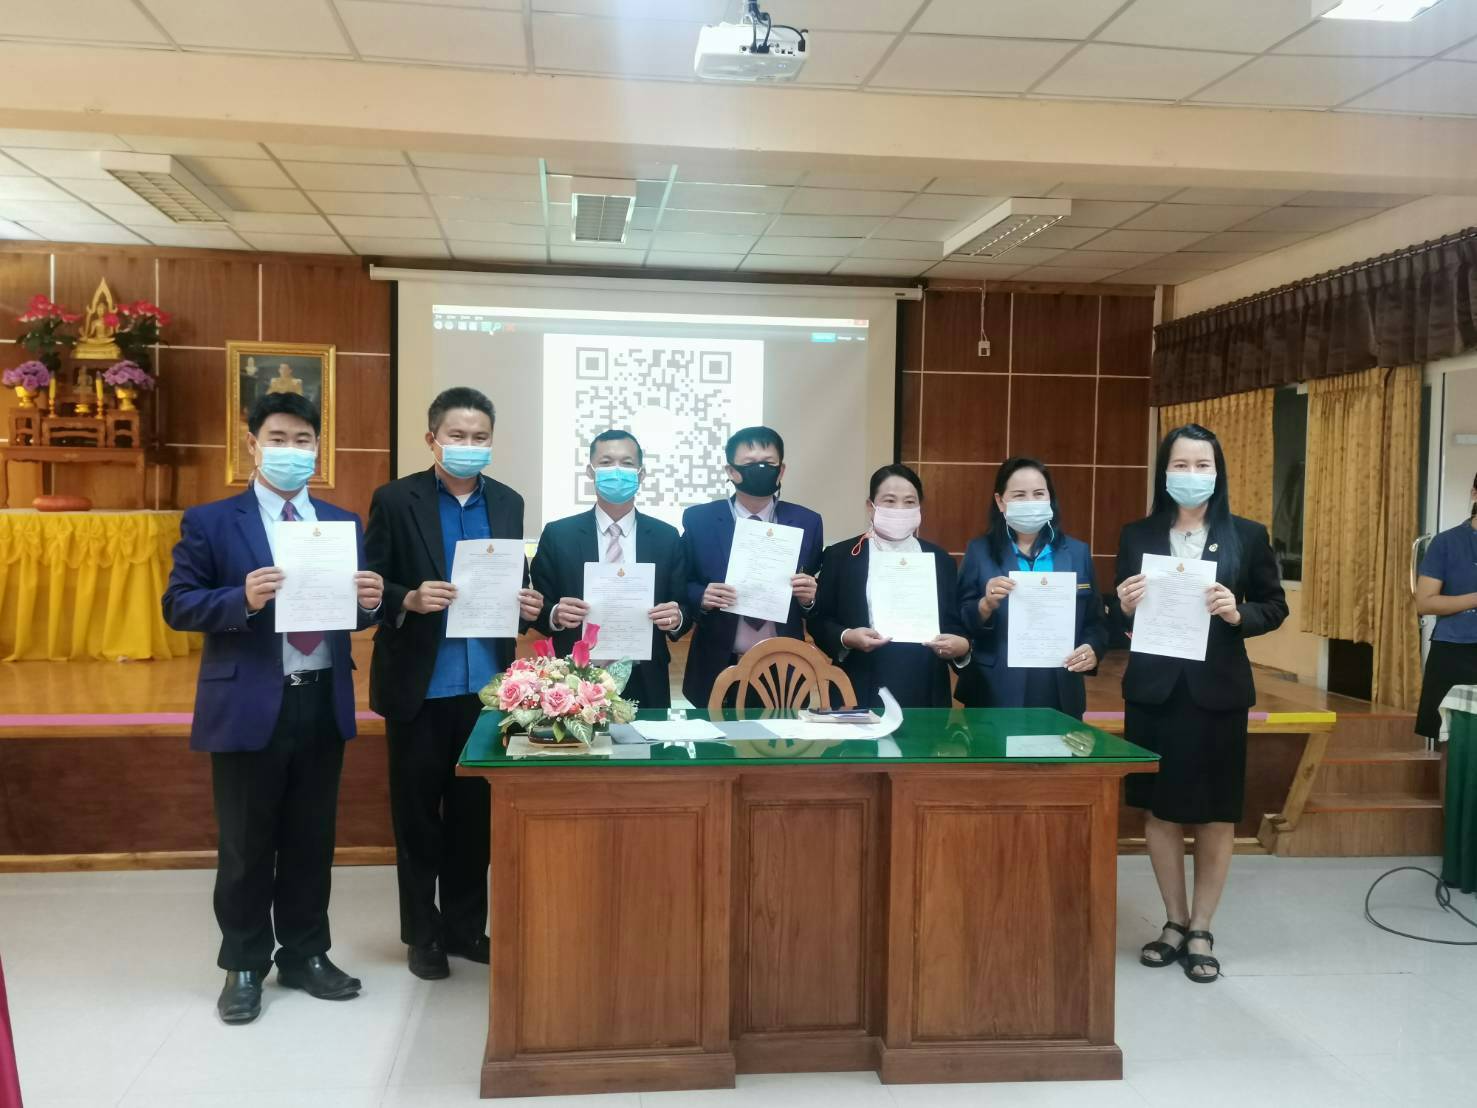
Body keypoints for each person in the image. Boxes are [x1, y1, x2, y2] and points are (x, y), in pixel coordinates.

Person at [162, 393, 384, 1025]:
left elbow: (350, 613)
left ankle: (306, 953)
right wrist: (242, 598)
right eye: (278, 439)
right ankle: (243, 963)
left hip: (321, 698)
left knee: (312, 840)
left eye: (303, 440)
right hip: (247, 703)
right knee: (246, 844)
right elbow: (178, 604)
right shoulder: (211, 521)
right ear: (252, 445)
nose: (292, 451)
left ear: (319, 448)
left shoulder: (340, 524)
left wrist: (370, 602)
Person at [364, 386, 542, 981]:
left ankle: (466, 928)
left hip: (487, 689)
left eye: (480, 437)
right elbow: (371, 583)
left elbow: (514, 582)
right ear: (432, 438)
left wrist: (528, 603)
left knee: (474, 819)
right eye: (458, 435)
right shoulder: (396, 499)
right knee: (418, 819)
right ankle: (423, 934)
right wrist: (408, 598)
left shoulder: (509, 501)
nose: (469, 444)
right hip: (421, 684)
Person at [1114, 424, 1287, 984]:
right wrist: (1123, 605)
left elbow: (1274, 606)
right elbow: (1118, 617)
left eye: (1202, 465)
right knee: (1159, 810)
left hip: (1217, 693)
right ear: (1164, 471)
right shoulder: (1138, 534)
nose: (1191, 474)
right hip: (1155, 692)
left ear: (1218, 471)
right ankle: (1173, 920)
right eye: (1181, 465)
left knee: (1216, 813)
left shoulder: (1247, 535)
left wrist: (1238, 613)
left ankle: (1202, 927)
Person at [532, 430, 690, 706]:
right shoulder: (559, 535)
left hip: (645, 674)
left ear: (641, 474)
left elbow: (684, 603)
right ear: (590, 472)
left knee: (647, 735)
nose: (616, 470)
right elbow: (539, 604)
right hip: (575, 676)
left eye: (627, 463)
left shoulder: (666, 536)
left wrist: (676, 618)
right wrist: (555, 613)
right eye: (606, 462)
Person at [680, 426, 823, 708]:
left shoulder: (807, 521)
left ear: (781, 471)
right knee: (715, 736)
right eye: (750, 463)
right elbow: (682, 580)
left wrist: (810, 598)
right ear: (731, 471)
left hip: (784, 665)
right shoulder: (700, 519)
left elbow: (818, 588)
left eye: (768, 464)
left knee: (783, 736)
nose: (760, 469)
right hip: (718, 662)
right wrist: (701, 596)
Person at [956, 457, 1108, 719]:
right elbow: (960, 618)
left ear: (1050, 498)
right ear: (1000, 501)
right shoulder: (979, 551)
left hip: (1059, 683)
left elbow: (1095, 622)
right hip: (995, 685)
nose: (1031, 502)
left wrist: (1093, 648)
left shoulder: (1077, 552)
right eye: (1019, 495)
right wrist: (985, 605)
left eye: (1039, 494)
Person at [808, 464, 970, 708]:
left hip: (924, 686)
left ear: (919, 507)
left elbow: (953, 623)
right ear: (870, 506)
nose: (900, 509)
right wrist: (847, 636)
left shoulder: (940, 560)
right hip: (859, 683)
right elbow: (819, 620)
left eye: (909, 502)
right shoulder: (841, 556)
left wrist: (961, 647)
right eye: (890, 501)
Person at [1415, 472, 1477, 740]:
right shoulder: (1447, 542)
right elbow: (1425, 601)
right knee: (1449, 734)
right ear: (1474, 494)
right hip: (1454, 648)